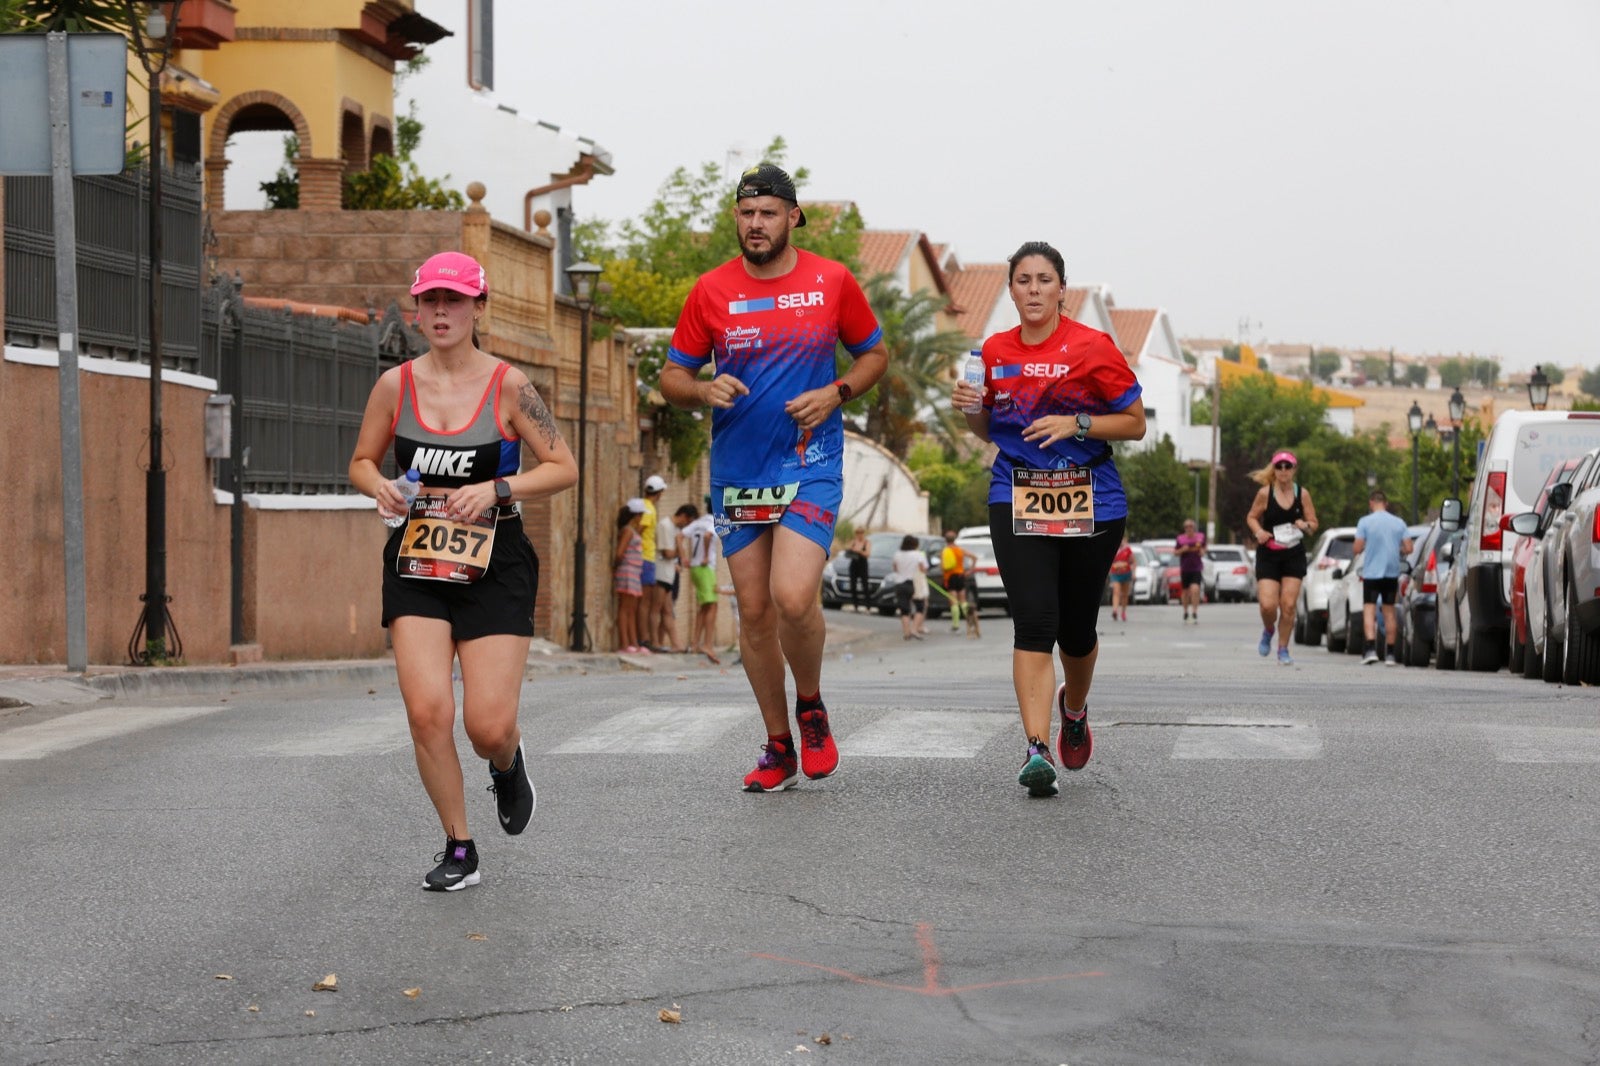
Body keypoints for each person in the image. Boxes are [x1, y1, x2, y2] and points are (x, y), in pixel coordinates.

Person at [348, 250, 578, 892]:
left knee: (487, 724)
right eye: (431, 300)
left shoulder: (511, 386)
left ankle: (507, 763)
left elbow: (564, 468)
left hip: (495, 560)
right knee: (427, 712)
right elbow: (361, 461)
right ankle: (459, 846)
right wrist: (382, 487)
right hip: (418, 558)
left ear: (479, 307)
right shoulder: (396, 386)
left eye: (454, 300)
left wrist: (500, 488)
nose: (442, 311)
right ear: (416, 310)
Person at [658, 161, 889, 792]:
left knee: (792, 597)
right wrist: (703, 390)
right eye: (746, 213)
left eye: (768, 213)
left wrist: (836, 391)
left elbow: (874, 353)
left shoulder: (832, 280)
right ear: (736, 218)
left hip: (810, 463)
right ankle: (778, 744)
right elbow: (672, 377)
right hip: (738, 474)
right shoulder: (711, 290)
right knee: (755, 613)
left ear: (793, 217)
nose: (756, 224)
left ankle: (810, 705)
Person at [949, 240, 1146, 798]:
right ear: (1010, 289)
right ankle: (1036, 749)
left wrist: (1075, 423)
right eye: (1023, 281)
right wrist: (970, 411)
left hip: (1091, 500)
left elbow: (1133, 424)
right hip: (1017, 493)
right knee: (1034, 621)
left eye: (1043, 281)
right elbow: (989, 432)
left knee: (1077, 631)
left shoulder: (1092, 346)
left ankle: (1074, 709)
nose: (1033, 290)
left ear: (1062, 289)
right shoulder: (993, 350)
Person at [1246, 450, 1319, 666]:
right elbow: (1251, 517)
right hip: (1269, 554)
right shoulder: (1264, 494)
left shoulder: (1302, 494)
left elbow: (1314, 523)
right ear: (1274, 469)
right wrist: (1258, 531)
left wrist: (1305, 525)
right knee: (1268, 605)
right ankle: (1269, 630)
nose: (1284, 471)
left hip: (1293, 554)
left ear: (1294, 469)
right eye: (1279, 467)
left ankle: (1283, 648)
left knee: (1288, 606)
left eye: (1288, 466)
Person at [1353, 490, 1413, 665]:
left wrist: (1367, 547)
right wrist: (1397, 550)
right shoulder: (1399, 522)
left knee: (1369, 610)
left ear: (1371, 503)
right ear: (1386, 504)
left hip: (1371, 573)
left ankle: (1371, 649)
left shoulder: (1365, 522)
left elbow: (1357, 548)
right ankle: (1391, 654)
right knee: (1389, 612)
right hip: (1391, 573)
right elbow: (1409, 548)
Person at [682, 504, 722, 663]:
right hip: (706, 568)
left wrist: (684, 556)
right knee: (712, 605)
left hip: (694, 568)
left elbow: (679, 536)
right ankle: (707, 644)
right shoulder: (713, 521)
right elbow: (707, 536)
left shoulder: (697, 522)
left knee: (704, 607)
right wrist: (706, 556)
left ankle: (694, 644)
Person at [652, 490, 690, 653]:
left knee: (668, 610)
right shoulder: (665, 525)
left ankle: (676, 644)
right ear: (683, 516)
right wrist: (679, 550)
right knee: (656, 608)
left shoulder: (675, 529)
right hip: (660, 572)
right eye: (688, 522)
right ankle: (654, 643)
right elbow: (667, 553)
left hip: (669, 574)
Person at [614, 501, 646, 653]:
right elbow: (620, 553)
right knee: (625, 608)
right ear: (636, 515)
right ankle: (624, 644)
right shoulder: (628, 531)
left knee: (632, 610)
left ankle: (634, 644)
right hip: (627, 570)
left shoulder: (633, 531)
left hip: (634, 572)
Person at [637, 474, 666, 649]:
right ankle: (644, 639)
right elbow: (639, 530)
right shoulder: (649, 509)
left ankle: (643, 638)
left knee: (643, 601)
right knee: (645, 601)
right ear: (659, 492)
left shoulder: (644, 505)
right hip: (645, 557)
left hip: (645, 557)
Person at [890, 534, 929, 640]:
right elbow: (923, 569)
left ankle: (906, 633)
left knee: (904, 610)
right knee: (920, 606)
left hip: (899, 583)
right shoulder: (918, 554)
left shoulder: (897, 554)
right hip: (911, 583)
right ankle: (914, 628)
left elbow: (895, 568)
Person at [1175, 518, 1207, 624]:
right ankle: (1185, 611)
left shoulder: (1200, 537)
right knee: (1185, 592)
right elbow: (1175, 552)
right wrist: (1182, 550)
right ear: (1184, 528)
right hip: (1185, 568)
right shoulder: (1180, 539)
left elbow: (1204, 548)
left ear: (1194, 527)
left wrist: (1202, 551)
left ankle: (1194, 612)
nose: (1189, 528)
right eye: (1186, 527)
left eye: (1191, 526)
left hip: (1196, 568)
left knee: (1195, 589)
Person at [940, 529, 968, 632]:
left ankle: (956, 624)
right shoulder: (960, 550)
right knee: (963, 600)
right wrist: (969, 571)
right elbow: (974, 558)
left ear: (945, 539)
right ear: (954, 539)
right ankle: (969, 620)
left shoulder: (945, 550)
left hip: (950, 577)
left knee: (954, 601)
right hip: (960, 576)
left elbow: (943, 566)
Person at [843, 528, 871, 613]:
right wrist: (851, 549)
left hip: (862, 564)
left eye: (861, 533)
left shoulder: (867, 542)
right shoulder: (854, 542)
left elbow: (867, 554)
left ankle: (867, 605)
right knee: (853, 584)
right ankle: (855, 605)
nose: (859, 535)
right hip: (854, 564)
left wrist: (859, 551)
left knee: (865, 584)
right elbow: (848, 550)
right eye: (858, 533)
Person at [1108, 534, 1134, 623]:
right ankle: (1115, 610)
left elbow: (1133, 562)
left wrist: (1134, 572)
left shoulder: (1128, 550)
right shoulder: (1113, 547)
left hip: (1126, 573)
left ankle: (1123, 612)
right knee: (1116, 591)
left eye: (1123, 539)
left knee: (1125, 594)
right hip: (1115, 573)